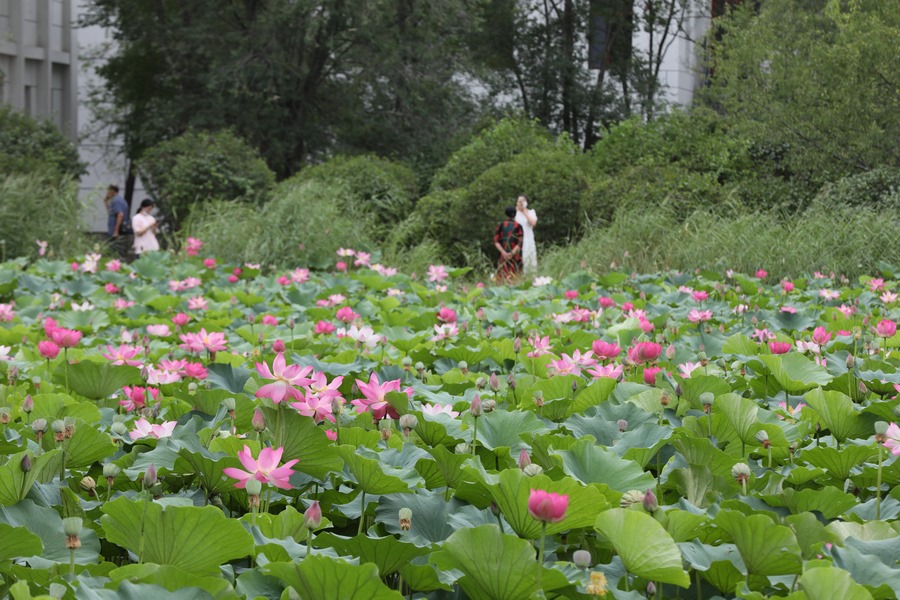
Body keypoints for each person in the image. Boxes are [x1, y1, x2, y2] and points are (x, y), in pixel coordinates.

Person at [493, 206, 524, 283]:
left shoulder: (501, 225)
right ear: (515, 214)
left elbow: (496, 241)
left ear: (506, 214)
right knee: (515, 278)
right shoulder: (518, 226)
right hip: (515, 257)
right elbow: (519, 243)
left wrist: (503, 252)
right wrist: (512, 253)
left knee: (502, 277)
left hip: (502, 256)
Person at [104, 184, 129, 258]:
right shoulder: (120, 200)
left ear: (112, 191)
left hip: (116, 231)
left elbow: (120, 214)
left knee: (115, 251)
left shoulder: (116, 201)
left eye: (108, 191)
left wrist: (116, 231)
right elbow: (111, 212)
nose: (107, 193)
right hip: (118, 230)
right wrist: (105, 201)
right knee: (116, 251)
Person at [515, 195, 538, 273]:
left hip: (529, 239)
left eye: (523, 201)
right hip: (518, 239)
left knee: (530, 258)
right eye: (519, 201)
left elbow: (533, 223)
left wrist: (525, 212)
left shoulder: (531, 212)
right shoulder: (515, 213)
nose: (521, 203)